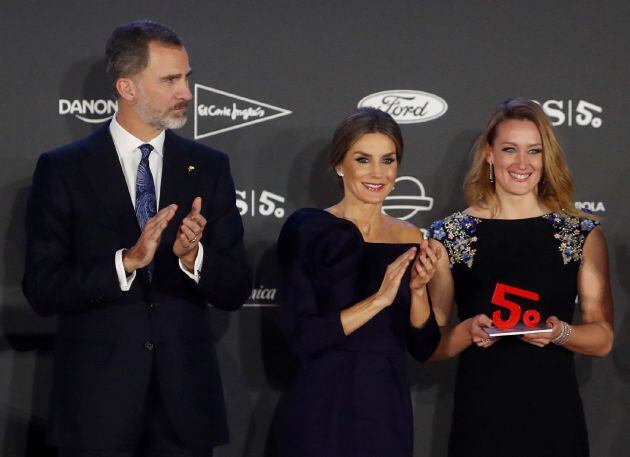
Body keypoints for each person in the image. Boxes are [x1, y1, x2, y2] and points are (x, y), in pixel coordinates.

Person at [22, 20, 251, 457]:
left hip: (183, 408)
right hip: (96, 407)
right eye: (170, 80)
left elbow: (236, 286)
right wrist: (125, 262)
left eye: (186, 77)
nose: (186, 91)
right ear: (127, 88)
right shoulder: (63, 169)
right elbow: (43, 288)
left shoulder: (208, 166)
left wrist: (192, 258)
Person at [427, 98, 614, 457]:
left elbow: (602, 338)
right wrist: (467, 332)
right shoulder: (450, 234)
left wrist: (559, 332)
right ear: (489, 153)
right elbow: (431, 346)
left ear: (547, 158)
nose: (522, 163)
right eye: (510, 149)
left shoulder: (579, 233)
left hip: (554, 417)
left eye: (534, 151)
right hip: (480, 416)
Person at [277, 107, 441, 457]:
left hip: (385, 405)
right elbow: (302, 337)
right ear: (339, 165)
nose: (378, 173)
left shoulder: (410, 236)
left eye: (388, 160)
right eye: (363, 159)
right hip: (322, 401)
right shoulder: (307, 229)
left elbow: (424, 347)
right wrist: (378, 301)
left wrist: (416, 292)